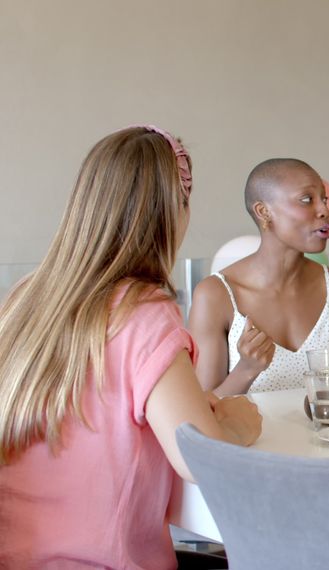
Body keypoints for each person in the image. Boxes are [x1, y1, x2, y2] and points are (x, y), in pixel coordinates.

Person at [0, 126, 263, 568]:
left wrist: (208, 402)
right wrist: (237, 425)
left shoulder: (24, 299)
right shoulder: (143, 311)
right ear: (173, 211)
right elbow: (202, 458)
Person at [188, 158, 329, 395]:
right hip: (257, 434)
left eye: (324, 200)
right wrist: (245, 370)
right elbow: (204, 411)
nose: (325, 211)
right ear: (263, 211)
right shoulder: (215, 295)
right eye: (307, 200)